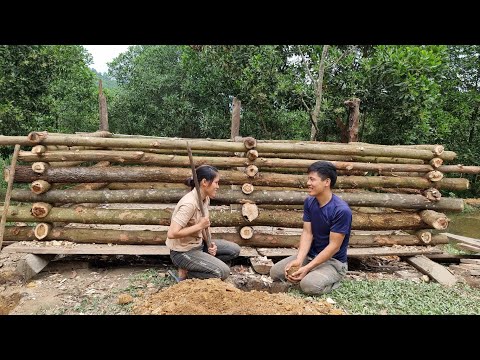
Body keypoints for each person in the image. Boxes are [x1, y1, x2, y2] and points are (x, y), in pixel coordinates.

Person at [270, 161, 352, 295]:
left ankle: (335, 279)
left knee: (309, 286)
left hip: (334, 262)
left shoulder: (341, 210)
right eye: (308, 178)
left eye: (312, 179)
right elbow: (308, 233)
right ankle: (313, 272)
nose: (308, 183)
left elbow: (334, 246)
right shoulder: (310, 201)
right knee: (276, 273)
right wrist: (299, 259)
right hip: (311, 256)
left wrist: (307, 268)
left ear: (326, 182)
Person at [166, 164, 241, 282]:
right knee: (222, 272)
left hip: (199, 245)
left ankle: (201, 265)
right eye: (216, 182)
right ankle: (187, 272)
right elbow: (172, 233)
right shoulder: (189, 204)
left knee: (234, 250)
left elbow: (205, 224)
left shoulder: (205, 198)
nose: (218, 186)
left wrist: (210, 244)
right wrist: (199, 226)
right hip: (183, 252)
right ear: (205, 182)